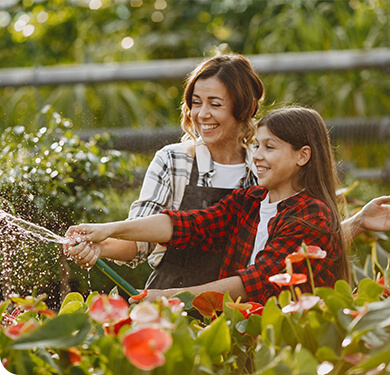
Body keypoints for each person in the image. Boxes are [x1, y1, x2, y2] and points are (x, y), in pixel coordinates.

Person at [65, 106, 350, 305]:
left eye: (270, 147)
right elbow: (187, 224)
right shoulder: (250, 200)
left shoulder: (312, 215)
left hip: (285, 342)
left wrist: (162, 297)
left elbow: (253, 283)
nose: (258, 156)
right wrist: (106, 230)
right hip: (241, 334)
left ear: (303, 156)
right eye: (257, 146)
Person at [65, 53, 265, 289]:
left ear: (247, 107)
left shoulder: (263, 166)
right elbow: (139, 241)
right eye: (197, 102)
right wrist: (99, 247)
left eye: (215, 104)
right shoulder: (173, 160)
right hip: (170, 304)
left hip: (240, 304)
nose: (202, 114)